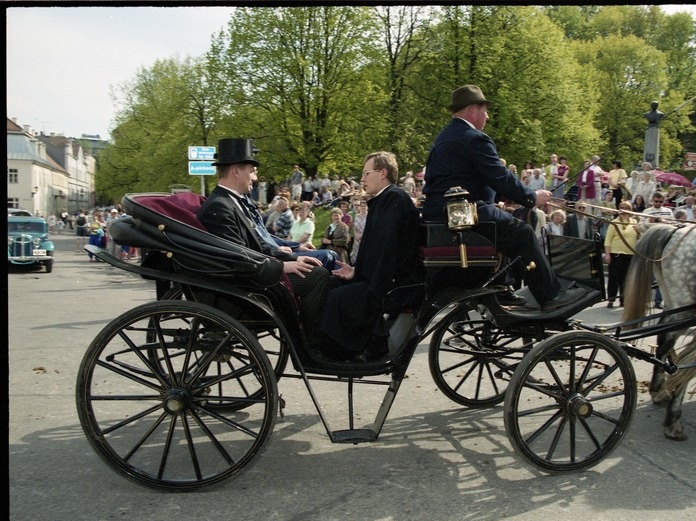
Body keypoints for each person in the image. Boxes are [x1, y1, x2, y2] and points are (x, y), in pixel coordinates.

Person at [421, 84, 588, 311]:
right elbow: (500, 176)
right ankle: (550, 295)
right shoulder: (474, 138)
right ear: (472, 110)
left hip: (444, 212)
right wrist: (532, 196)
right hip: (464, 213)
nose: (487, 116)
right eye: (485, 110)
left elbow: (472, 177)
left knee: (503, 225)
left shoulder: (445, 136)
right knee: (522, 233)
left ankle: (501, 289)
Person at [197, 139, 330, 359]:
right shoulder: (219, 207)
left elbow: (255, 245)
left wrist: (288, 255)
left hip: (254, 273)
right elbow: (237, 258)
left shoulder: (230, 202)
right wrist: (283, 266)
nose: (256, 178)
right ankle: (311, 348)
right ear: (236, 171)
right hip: (244, 284)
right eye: (252, 171)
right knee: (318, 276)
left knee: (319, 264)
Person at [319, 151, 422, 361]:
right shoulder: (384, 199)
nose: (362, 179)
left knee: (337, 298)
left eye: (366, 173)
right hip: (377, 277)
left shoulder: (394, 198)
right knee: (327, 284)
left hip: (391, 285)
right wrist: (356, 270)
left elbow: (388, 251)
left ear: (382, 172)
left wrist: (370, 286)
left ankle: (341, 353)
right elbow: (377, 248)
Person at [604, 200, 638, 308]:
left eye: (627, 208)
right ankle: (611, 299)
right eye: (622, 207)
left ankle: (623, 299)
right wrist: (607, 254)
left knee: (626, 278)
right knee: (614, 277)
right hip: (616, 253)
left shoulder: (634, 222)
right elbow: (607, 240)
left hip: (630, 254)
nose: (624, 210)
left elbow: (639, 237)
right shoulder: (614, 222)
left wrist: (639, 230)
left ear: (630, 210)